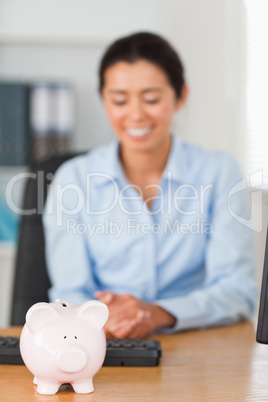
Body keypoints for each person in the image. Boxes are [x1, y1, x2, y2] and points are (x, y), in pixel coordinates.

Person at [43, 32, 258, 338]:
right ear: (104, 99)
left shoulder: (218, 171)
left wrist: (157, 314)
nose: (135, 114)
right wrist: (112, 318)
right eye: (119, 99)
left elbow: (238, 291)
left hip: (197, 350)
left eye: (151, 99)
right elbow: (69, 295)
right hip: (105, 345)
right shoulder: (73, 179)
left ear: (180, 96)